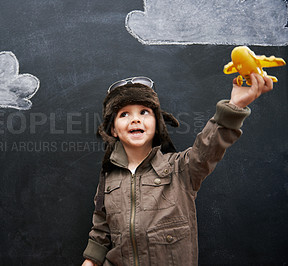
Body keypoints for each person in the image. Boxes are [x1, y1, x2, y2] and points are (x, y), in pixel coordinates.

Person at [82, 74, 273, 266]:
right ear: (114, 129)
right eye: (124, 114)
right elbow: (101, 228)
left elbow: (208, 147)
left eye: (144, 112)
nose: (135, 120)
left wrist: (235, 106)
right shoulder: (109, 176)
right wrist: (90, 262)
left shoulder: (180, 169)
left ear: (157, 124)